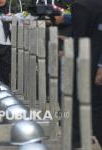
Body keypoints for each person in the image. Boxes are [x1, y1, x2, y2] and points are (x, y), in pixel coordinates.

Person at [72, 0, 102, 146]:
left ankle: (82, 140)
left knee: (86, 103)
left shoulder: (81, 5)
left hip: (88, 62)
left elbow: (80, 37)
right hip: (92, 60)